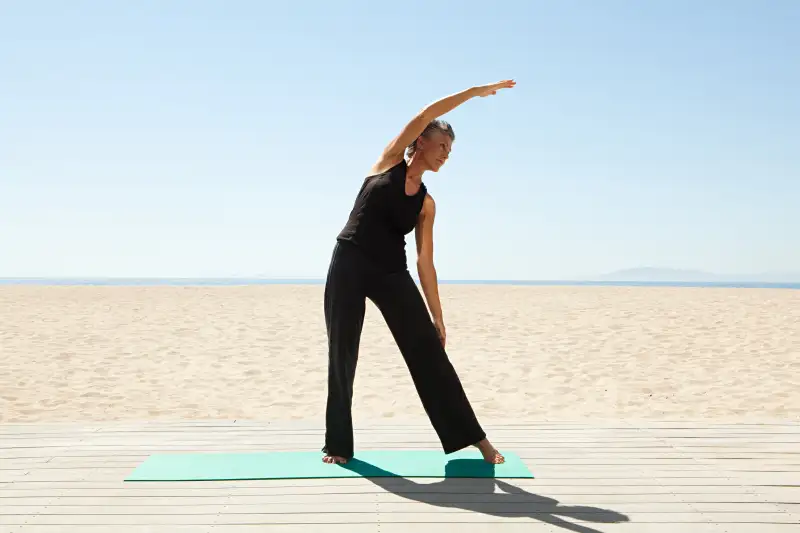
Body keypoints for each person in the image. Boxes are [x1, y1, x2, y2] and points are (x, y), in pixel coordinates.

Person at [322, 80, 516, 465]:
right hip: (349, 261)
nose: (446, 154)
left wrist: (437, 316)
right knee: (342, 353)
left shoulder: (427, 204)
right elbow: (426, 113)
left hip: (392, 272)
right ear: (421, 142)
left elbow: (426, 263)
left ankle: (475, 438)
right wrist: (474, 93)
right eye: (442, 145)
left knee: (428, 351)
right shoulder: (389, 161)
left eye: (450, 150)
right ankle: (338, 444)